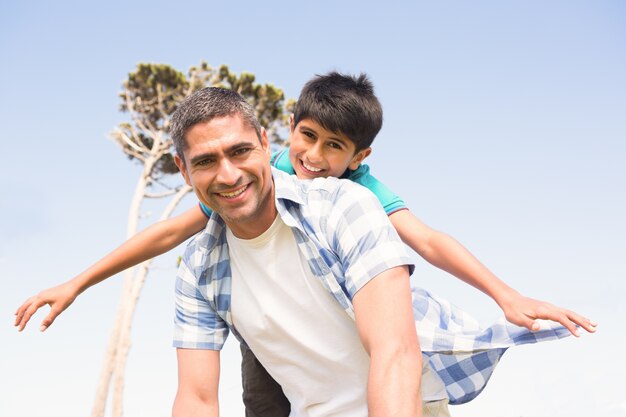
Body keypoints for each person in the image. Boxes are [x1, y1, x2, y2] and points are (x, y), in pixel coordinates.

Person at [15, 74, 596, 415]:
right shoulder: (205, 256)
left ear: (359, 157)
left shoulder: (352, 199)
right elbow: (170, 239)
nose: (315, 159)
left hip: (394, 378)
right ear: (287, 132)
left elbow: (425, 244)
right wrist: (76, 282)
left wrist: (504, 293)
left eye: (334, 148)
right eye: (308, 138)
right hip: (284, 354)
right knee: (260, 388)